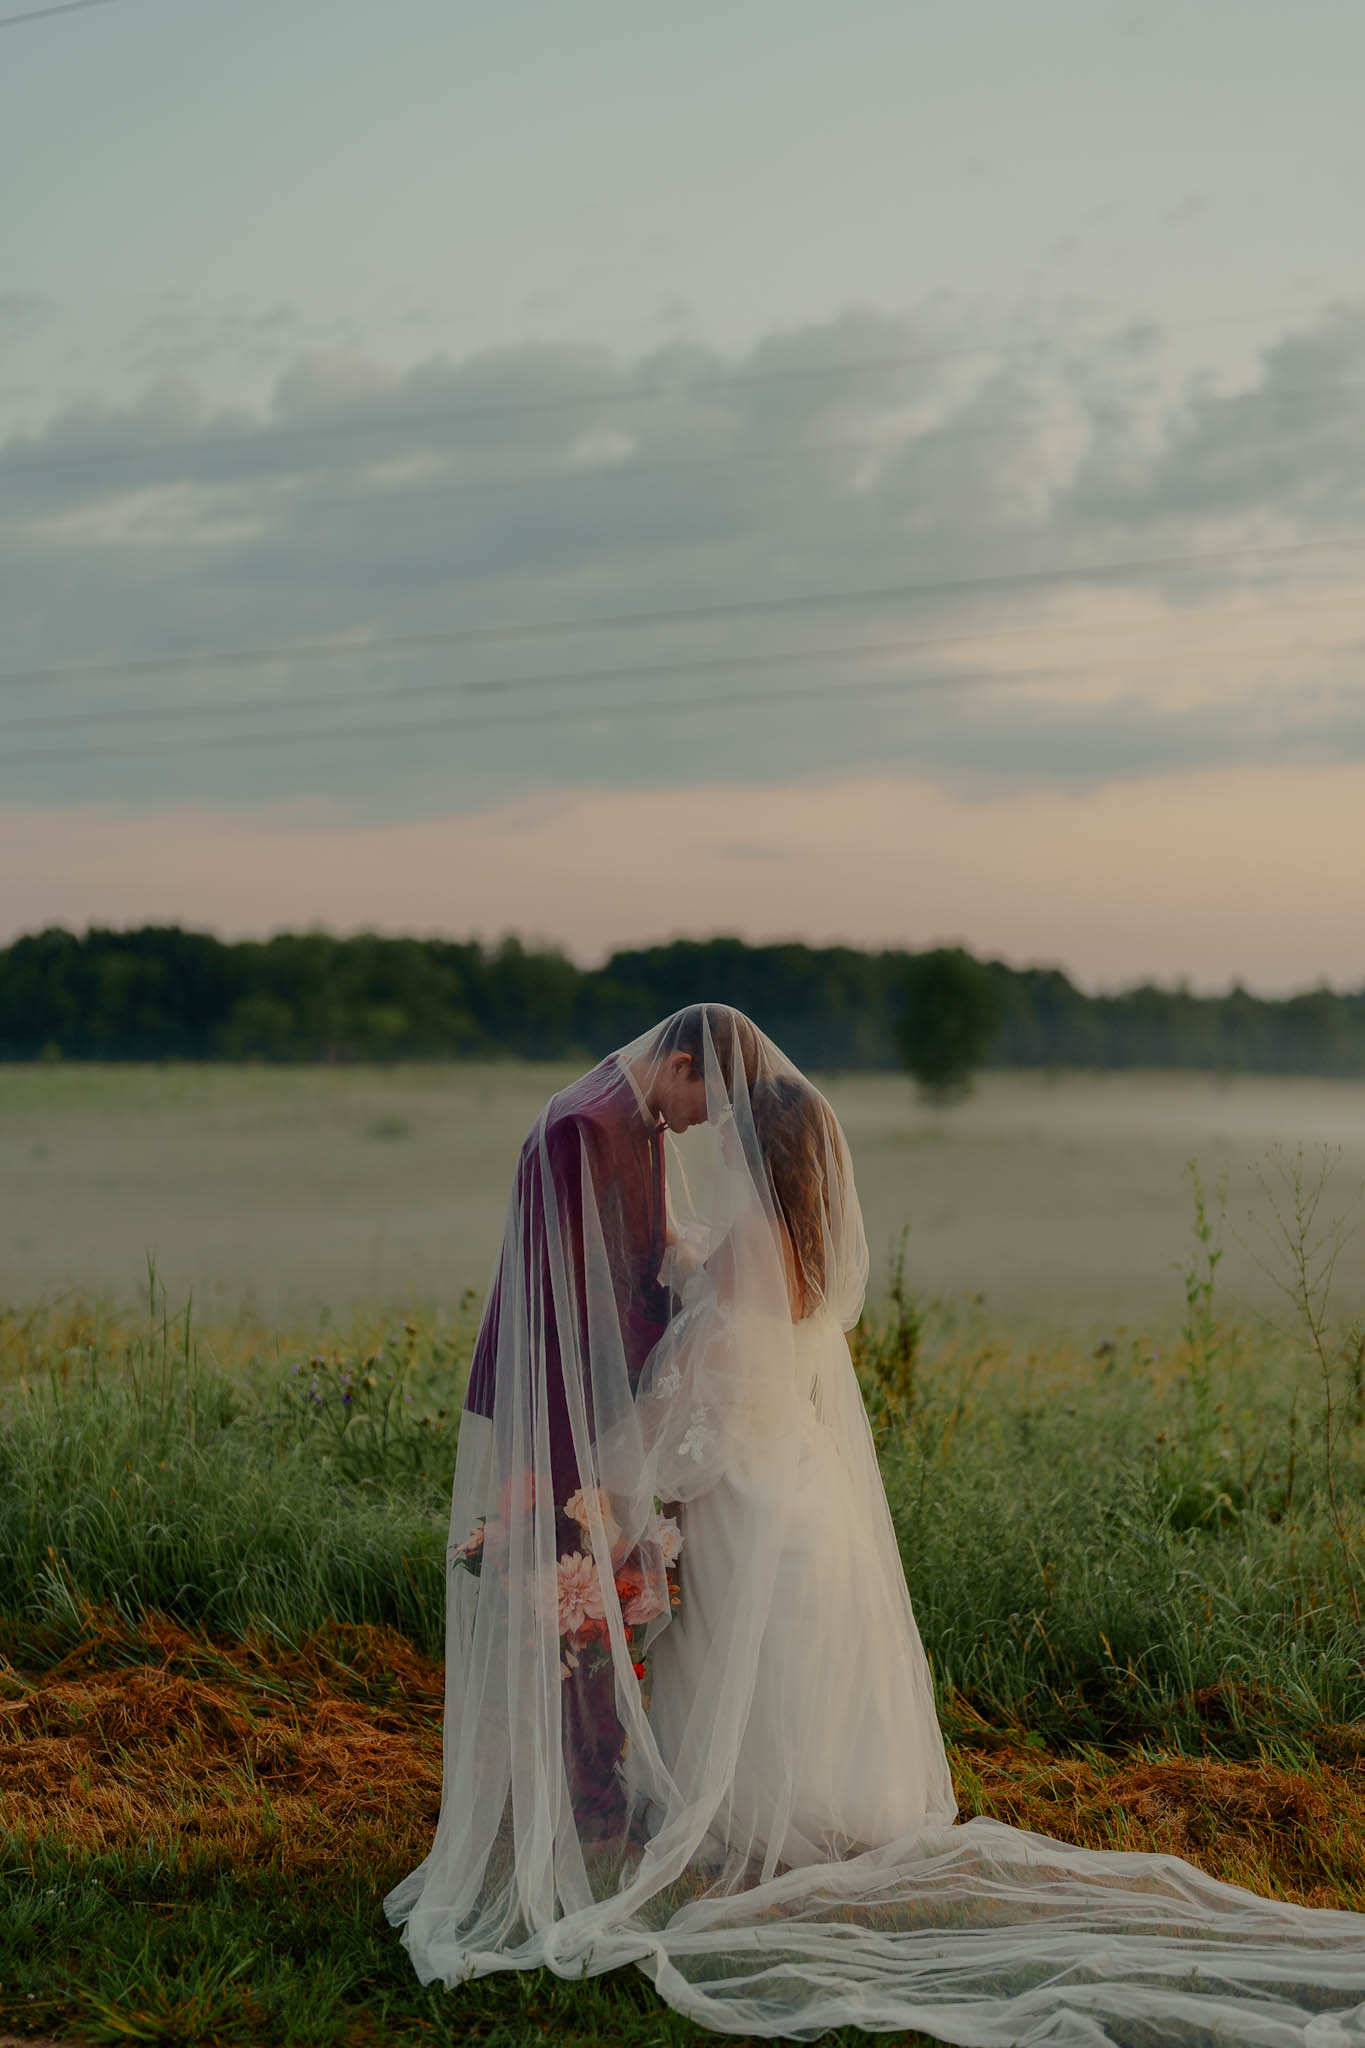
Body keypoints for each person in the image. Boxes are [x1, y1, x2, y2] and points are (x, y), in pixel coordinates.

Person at [388, 1006, 1365, 2044]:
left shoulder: (747, 1253)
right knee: (775, 1661)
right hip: (784, 1482)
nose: (707, 1146)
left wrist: (609, 1491)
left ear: (761, 1157)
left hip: (743, 1492)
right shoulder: (782, 1244)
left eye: (727, 1138)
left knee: (737, 1659)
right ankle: (794, 1808)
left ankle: (747, 1818)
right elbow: (714, 1307)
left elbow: (703, 1397)